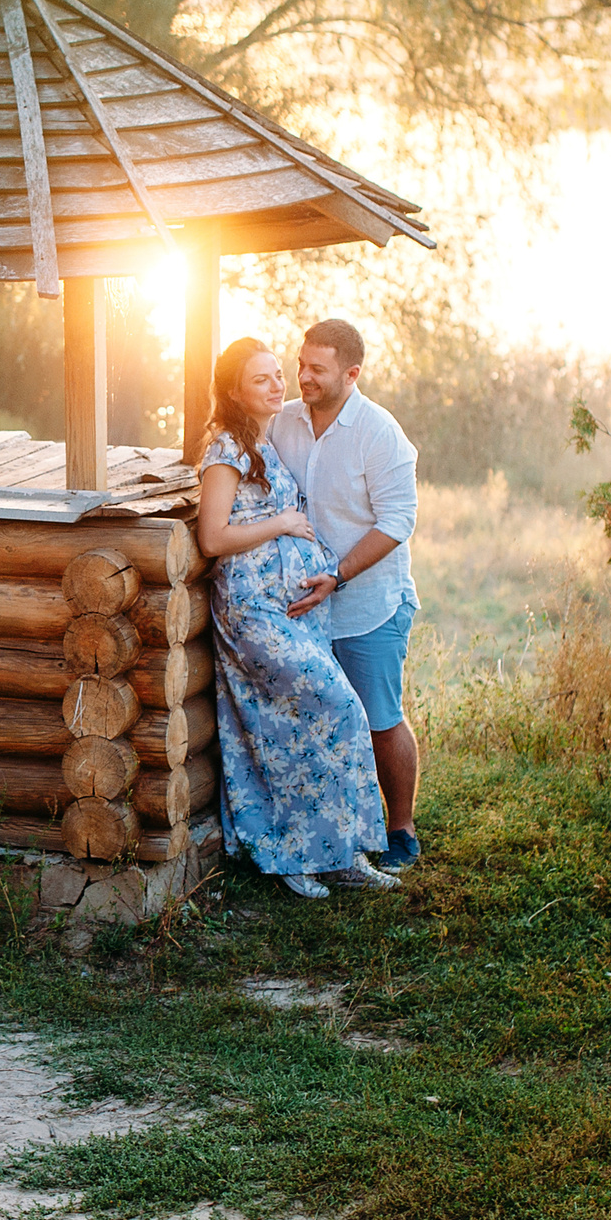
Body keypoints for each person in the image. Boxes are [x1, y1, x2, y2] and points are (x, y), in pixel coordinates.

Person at [195, 336, 398, 899]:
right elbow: (213, 537)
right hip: (251, 613)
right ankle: (292, 854)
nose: (279, 385)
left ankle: (341, 853)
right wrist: (281, 525)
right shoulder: (227, 450)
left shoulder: (269, 439)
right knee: (335, 707)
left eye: (279, 374)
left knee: (304, 726)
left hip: (288, 610)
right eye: (261, 379)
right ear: (234, 390)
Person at [272, 318, 423, 871]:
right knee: (315, 720)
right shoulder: (282, 421)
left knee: (379, 718)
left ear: (351, 374)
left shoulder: (380, 434)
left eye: (317, 368)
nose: (302, 376)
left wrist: (337, 573)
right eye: (301, 363)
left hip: (367, 605)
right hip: (299, 606)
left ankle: (401, 828)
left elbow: (397, 521)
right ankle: (331, 831)